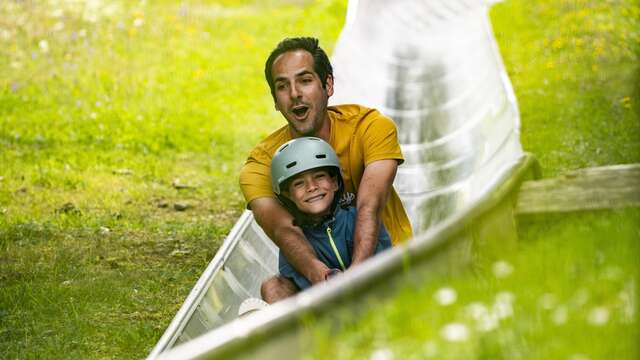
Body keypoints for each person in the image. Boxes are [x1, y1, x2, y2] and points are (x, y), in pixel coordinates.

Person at [239, 37, 412, 303]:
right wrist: (325, 279)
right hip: (320, 282)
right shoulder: (261, 165)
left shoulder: (370, 127)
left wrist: (356, 276)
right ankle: (300, 338)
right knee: (273, 288)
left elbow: (370, 204)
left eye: (305, 80)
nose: (295, 93)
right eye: (283, 86)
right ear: (275, 100)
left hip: (385, 262)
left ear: (327, 85)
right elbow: (284, 230)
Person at [271, 137, 392, 290]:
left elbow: (386, 267)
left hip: (379, 297)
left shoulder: (357, 221)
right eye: (299, 183)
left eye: (319, 176)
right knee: (270, 286)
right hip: (332, 309)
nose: (312, 187)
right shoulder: (295, 244)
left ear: (335, 183)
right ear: (289, 195)